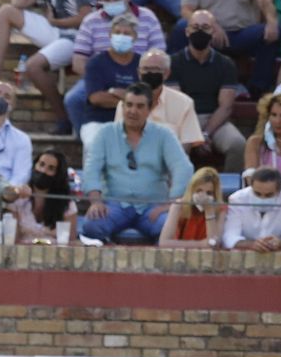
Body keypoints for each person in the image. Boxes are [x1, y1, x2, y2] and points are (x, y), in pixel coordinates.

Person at [81, 83, 193, 242]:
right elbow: (91, 168)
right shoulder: (105, 133)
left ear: (150, 108)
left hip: (153, 206)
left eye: (140, 106)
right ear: (123, 106)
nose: (133, 111)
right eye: (129, 105)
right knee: (92, 225)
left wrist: (172, 204)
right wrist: (96, 202)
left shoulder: (163, 135)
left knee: (170, 226)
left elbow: (183, 167)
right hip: (115, 204)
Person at [58, 0, 165, 138]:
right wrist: (101, 80)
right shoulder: (91, 21)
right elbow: (78, 61)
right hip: (99, 78)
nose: (110, 2)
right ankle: (88, 143)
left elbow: (160, 57)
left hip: (139, 80)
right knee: (73, 100)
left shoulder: (148, 18)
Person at [179, 0, 280, 97]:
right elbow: (186, 10)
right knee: (181, 28)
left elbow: (264, 1)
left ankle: (257, 89)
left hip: (243, 34)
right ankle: (177, 84)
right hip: (209, 35)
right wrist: (211, 24)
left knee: (275, 31)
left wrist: (272, 21)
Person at [170, 10, 246, 173]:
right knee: (178, 146)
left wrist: (205, 134)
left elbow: (225, 107)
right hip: (184, 120)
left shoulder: (226, 64)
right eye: (195, 27)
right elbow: (177, 103)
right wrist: (194, 134)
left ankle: (228, 193)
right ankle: (180, 193)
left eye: (205, 27)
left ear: (213, 31)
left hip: (215, 121)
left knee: (238, 144)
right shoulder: (174, 62)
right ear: (187, 31)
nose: (199, 31)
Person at [115, 49, 204, 160]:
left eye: (155, 69)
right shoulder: (125, 103)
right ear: (138, 73)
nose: (150, 73)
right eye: (146, 69)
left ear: (166, 73)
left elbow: (185, 147)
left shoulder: (184, 103)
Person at [73, 13, 142, 135]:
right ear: (110, 35)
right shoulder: (96, 63)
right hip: (98, 122)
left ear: (135, 37)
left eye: (126, 33)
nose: (121, 36)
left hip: (134, 123)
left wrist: (116, 93)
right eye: (117, 33)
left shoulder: (142, 64)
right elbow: (96, 98)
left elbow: (147, 99)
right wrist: (131, 99)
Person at [12, 146, 76, 243]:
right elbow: (12, 239)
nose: (43, 171)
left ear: (57, 174)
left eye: (51, 168)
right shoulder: (18, 199)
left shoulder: (67, 205)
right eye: (41, 164)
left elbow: (71, 241)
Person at [222, 166, 281, 251]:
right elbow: (229, 237)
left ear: (279, 191)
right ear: (251, 187)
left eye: (268, 195)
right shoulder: (237, 199)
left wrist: (280, 242)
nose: (262, 198)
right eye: (257, 194)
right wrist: (252, 244)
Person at [158, 165, 226, 247]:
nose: (203, 196)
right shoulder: (179, 206)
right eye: (199, 191)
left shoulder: (221, 209)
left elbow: (213, 244)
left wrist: (209, 211)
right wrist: (200, 244)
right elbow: (164, 242)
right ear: (192, 190)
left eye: (209, 193)